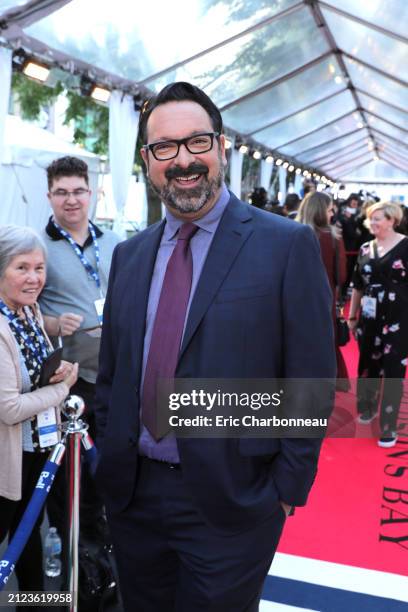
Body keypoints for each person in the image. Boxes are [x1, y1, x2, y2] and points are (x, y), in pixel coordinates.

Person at [94, 81, 336, 612]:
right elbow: (114, 371)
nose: (183, 161)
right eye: (165, 148)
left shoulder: (285, 245)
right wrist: (108, 460)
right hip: (134, 499)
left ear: (221, 148)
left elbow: (310, 378)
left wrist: (284, 487)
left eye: (197, 142)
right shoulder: (130, 256)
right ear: (147, 160)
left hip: (233, 503)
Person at [38, 157, 120, 580]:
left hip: (116, 377)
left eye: (78, 191)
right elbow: (20, 307)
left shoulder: (114, 241)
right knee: (69, 474)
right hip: (70, 385)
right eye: (62, 192)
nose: (71, 200)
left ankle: (99, 549)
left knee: (108, 467)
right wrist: (52, 324)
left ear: (92, 193)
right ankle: (70, 551)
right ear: (49, 196)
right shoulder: (37, 247)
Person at [0, 225, 78, 595]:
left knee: (29, 534)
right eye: (22, 268)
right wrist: (62, 389)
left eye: (39, 267)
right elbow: (10, 407)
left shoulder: (30, 311)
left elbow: (37, 375)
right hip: (7, 457)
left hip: (35, 447)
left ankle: (34, 603)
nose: (34, 278)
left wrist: (57, 373)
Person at [348, 201, 408, 448]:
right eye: (371, 219)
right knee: (368, 363)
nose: (372, 223)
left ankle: (388, 426)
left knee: (393, 369)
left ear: (392, 220)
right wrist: (352, 316)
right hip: (370, 318)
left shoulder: (406, 246)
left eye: (378, 219)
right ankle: (368, 407)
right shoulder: (364, 249)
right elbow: (358, 286)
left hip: (400, 319)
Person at [296, 191, 350, 391]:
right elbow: (342, 275)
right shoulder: (332, 237)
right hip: (324, 300)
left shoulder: (290, 233)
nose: (332, 214)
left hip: (295, 301)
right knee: (325, 342)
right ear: (320, 211)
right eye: (329, 210)